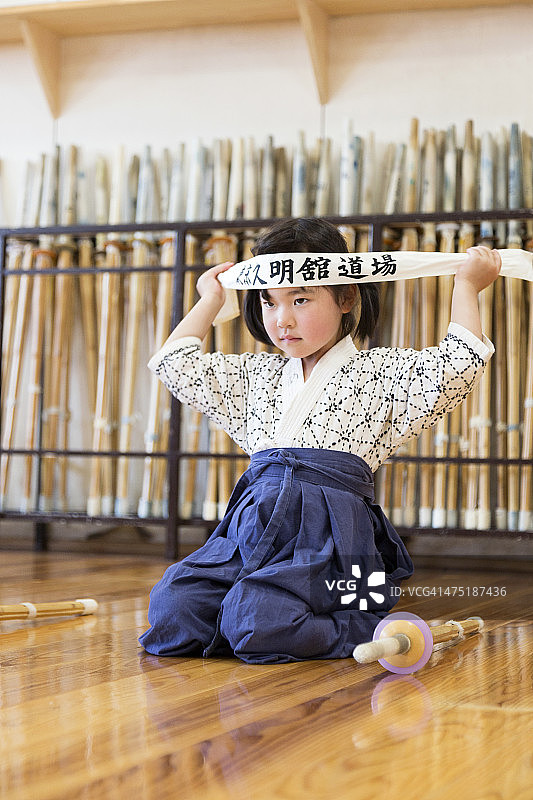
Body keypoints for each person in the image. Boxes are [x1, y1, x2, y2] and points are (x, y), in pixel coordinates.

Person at [139, 217, 501, 664]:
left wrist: (468, 286)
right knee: (174, 607)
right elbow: (176, 364)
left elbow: (459, 363)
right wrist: (211, 300)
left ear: (347, 296)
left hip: (330, 544)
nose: (281, 320)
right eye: (269, 302)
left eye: (301, 299)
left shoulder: (381, 374)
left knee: (255, 618)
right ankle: (246, 611)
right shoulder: (257, 376)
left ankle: (362, 613)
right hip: (250, 533)